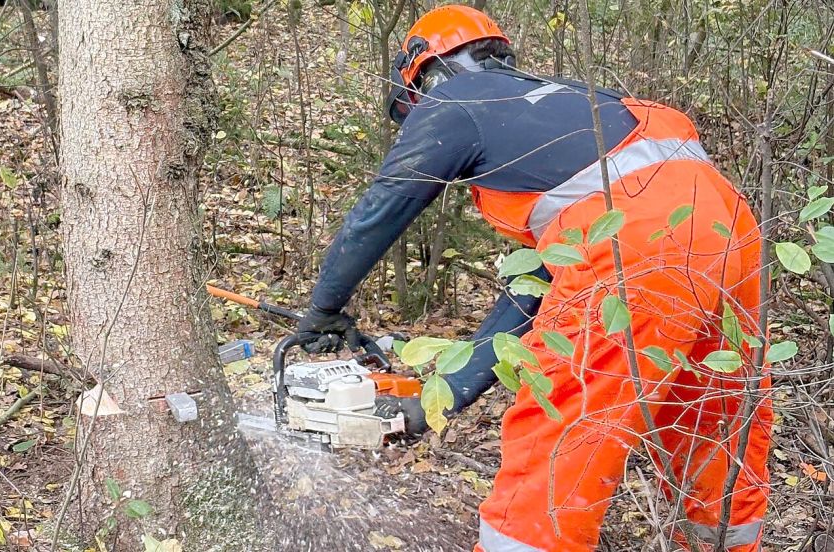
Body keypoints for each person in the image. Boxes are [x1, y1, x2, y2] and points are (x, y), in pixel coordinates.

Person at [296, 5, 772, 551]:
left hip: (635, 243)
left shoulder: (455, 100)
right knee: (710, 411)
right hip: (728, 231)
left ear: (430, 71)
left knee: (563, 423)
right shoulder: (581, 104)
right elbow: (536, 289)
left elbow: (381, 208)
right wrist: (445, 395)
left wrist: (325, 308)